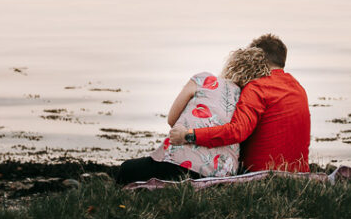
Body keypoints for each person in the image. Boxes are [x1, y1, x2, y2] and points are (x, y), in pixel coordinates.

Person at [114, 47, 272, 185]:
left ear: (232, 65)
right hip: (220, 177)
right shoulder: (248, 101)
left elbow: (172, 119)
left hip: (178, 165)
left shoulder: (204, 79)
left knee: (126, 169)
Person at [169, 34, 311, 172]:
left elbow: (238, 131)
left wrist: (189, 135)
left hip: (263, 173)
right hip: (299, 171)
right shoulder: (299, 89)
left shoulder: (258, 87)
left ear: (256, 57)